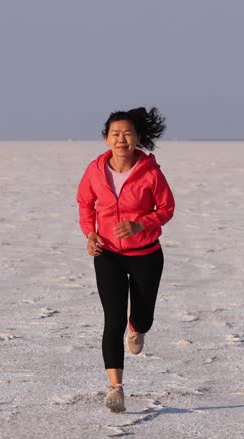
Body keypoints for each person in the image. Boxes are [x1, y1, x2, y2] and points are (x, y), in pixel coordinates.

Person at [76, 107, 175, 413]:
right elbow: (85, 204)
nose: (121, 139)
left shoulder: (151, 173)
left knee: (142, 317)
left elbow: (166, 208)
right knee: (112, 319)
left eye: (127, 133)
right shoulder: (94, 171)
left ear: (138, 138)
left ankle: (138, 327)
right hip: (108, 255)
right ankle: (115, 388)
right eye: (115, 134)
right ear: (106, 138)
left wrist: (140, 224)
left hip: (146, 254)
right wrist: (90, 235)